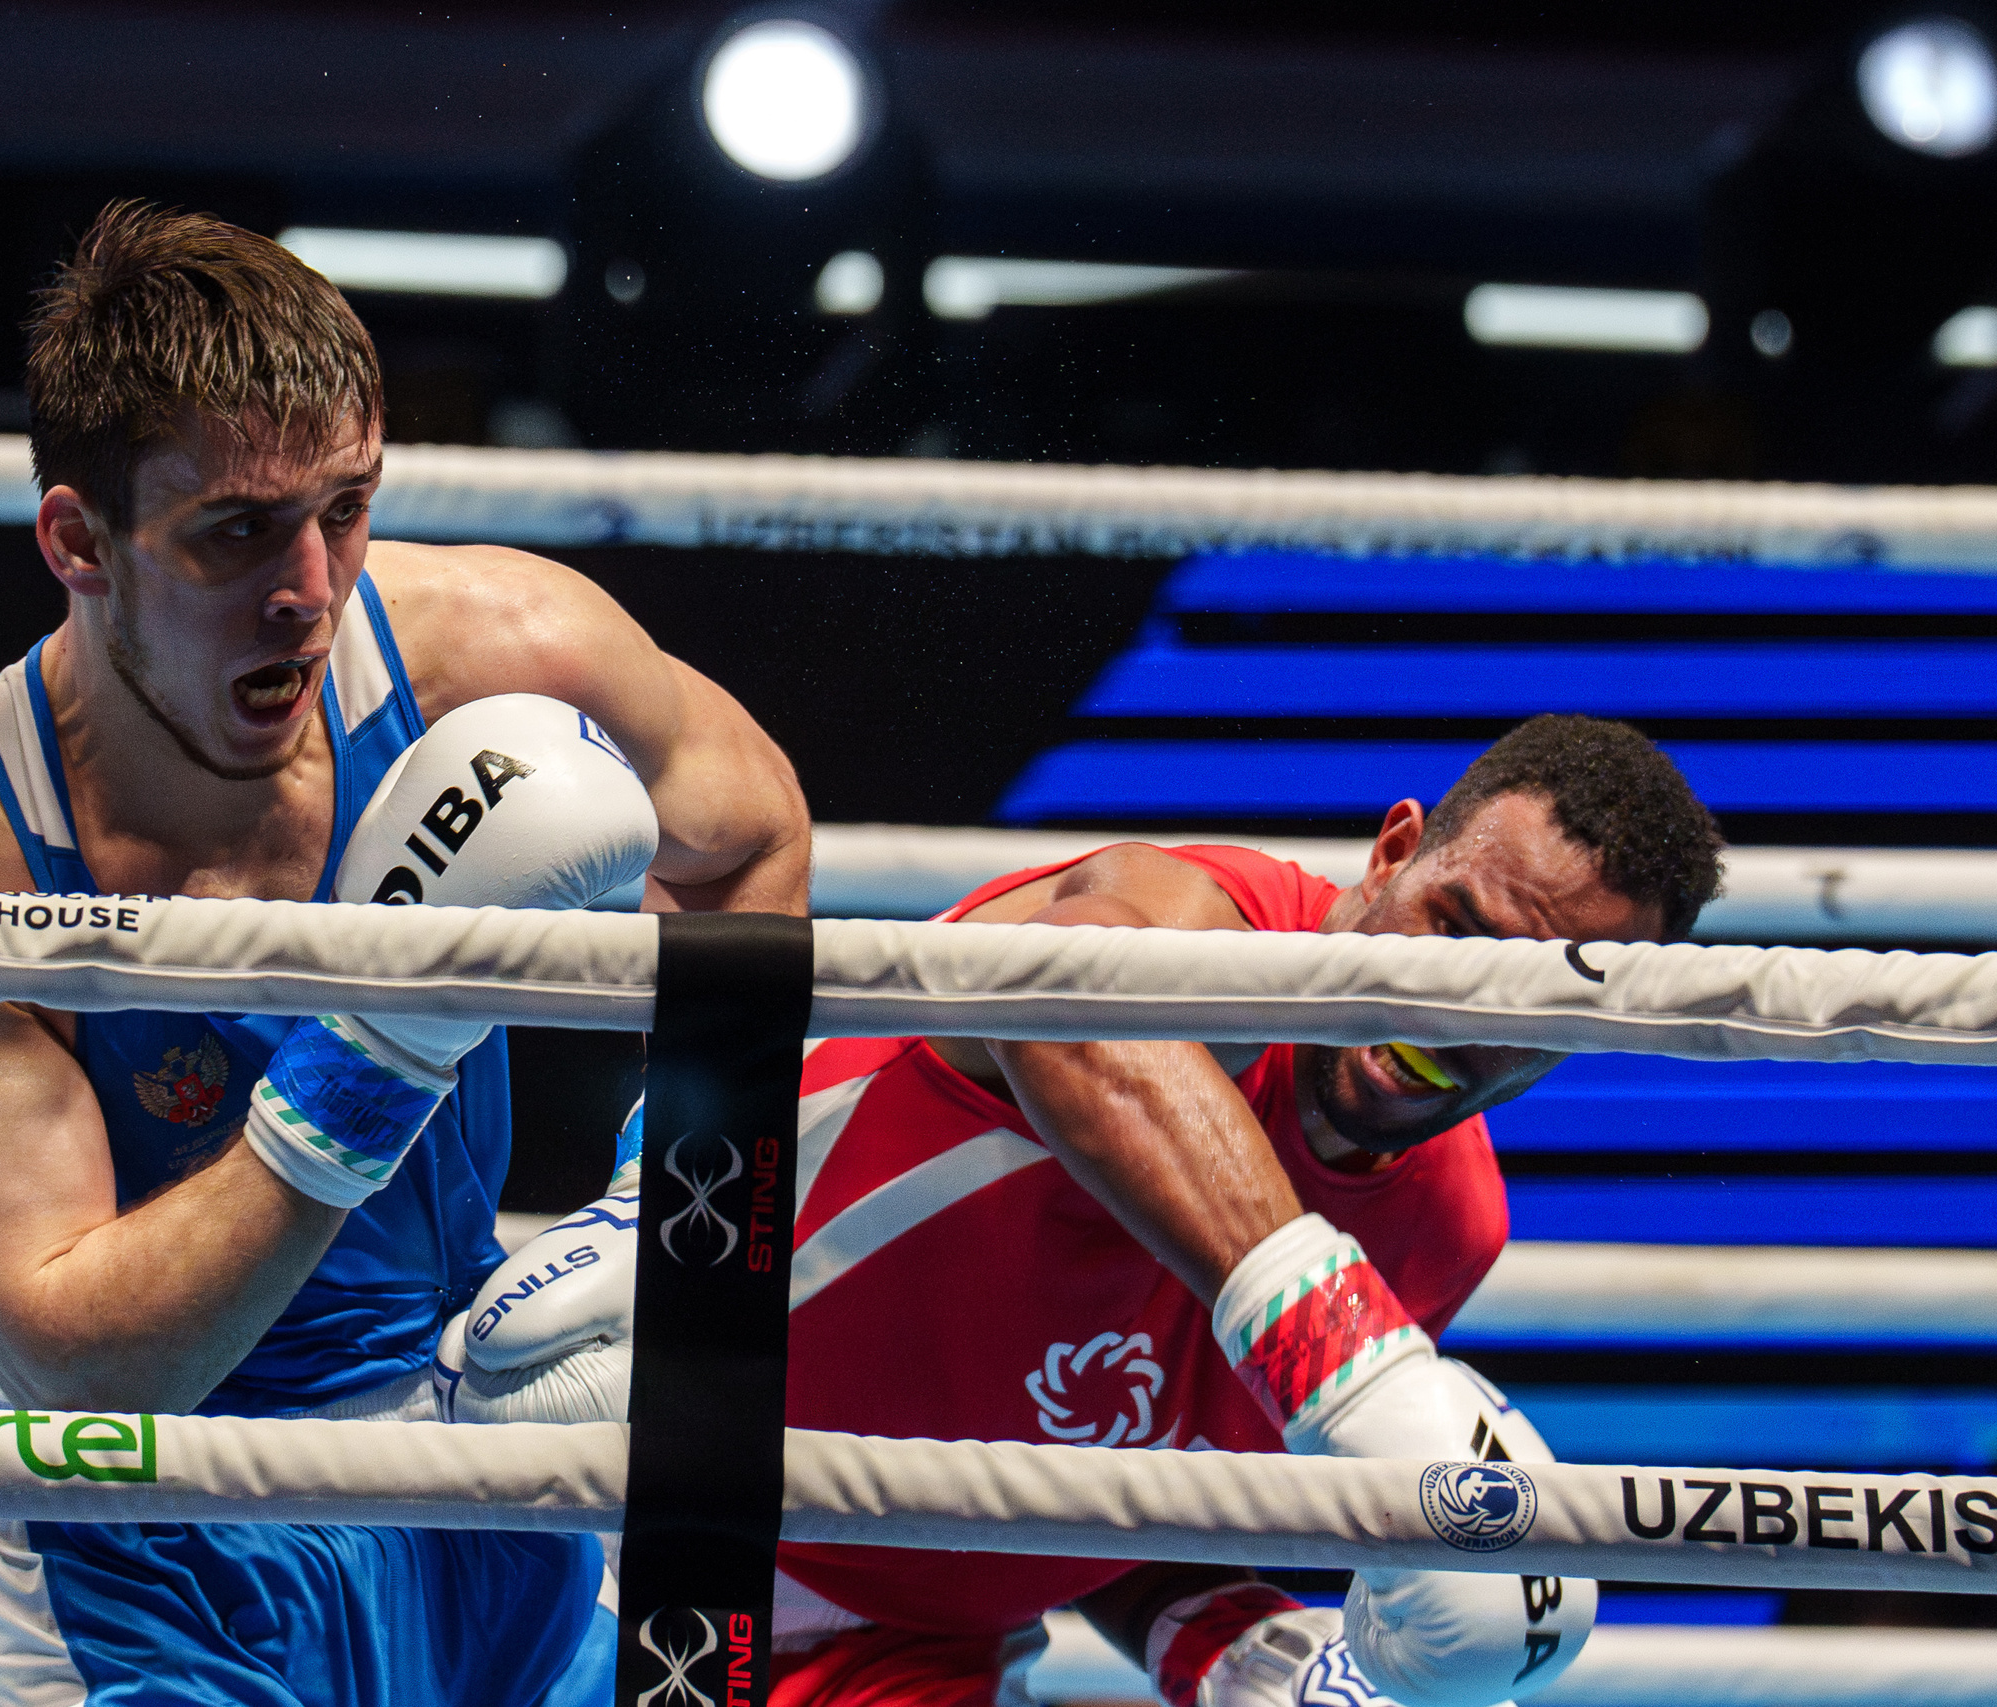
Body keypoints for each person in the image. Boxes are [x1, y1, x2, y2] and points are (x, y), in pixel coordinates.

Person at [0, 201, 807, 1707]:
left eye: (346, 507)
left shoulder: (505, 648)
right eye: (238, 530)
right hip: (126, 1553)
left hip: (458, 1475)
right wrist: (380, 1042)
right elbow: (86, 1373)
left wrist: (674, 1201)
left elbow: (750, 834)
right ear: (78, 540)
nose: (311, 589)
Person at [450, 715, 1723, 1707]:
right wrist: (1355, 1366)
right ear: (1391, 852)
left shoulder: (1447, 1231)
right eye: (1452, 928)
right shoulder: (1202, 928)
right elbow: (1070, 1003)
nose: (1455, 1016)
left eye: (1532, 1002)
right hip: (626, 1517)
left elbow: (1120, 1494)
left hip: (913, 1651)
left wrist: (1235, 1653)